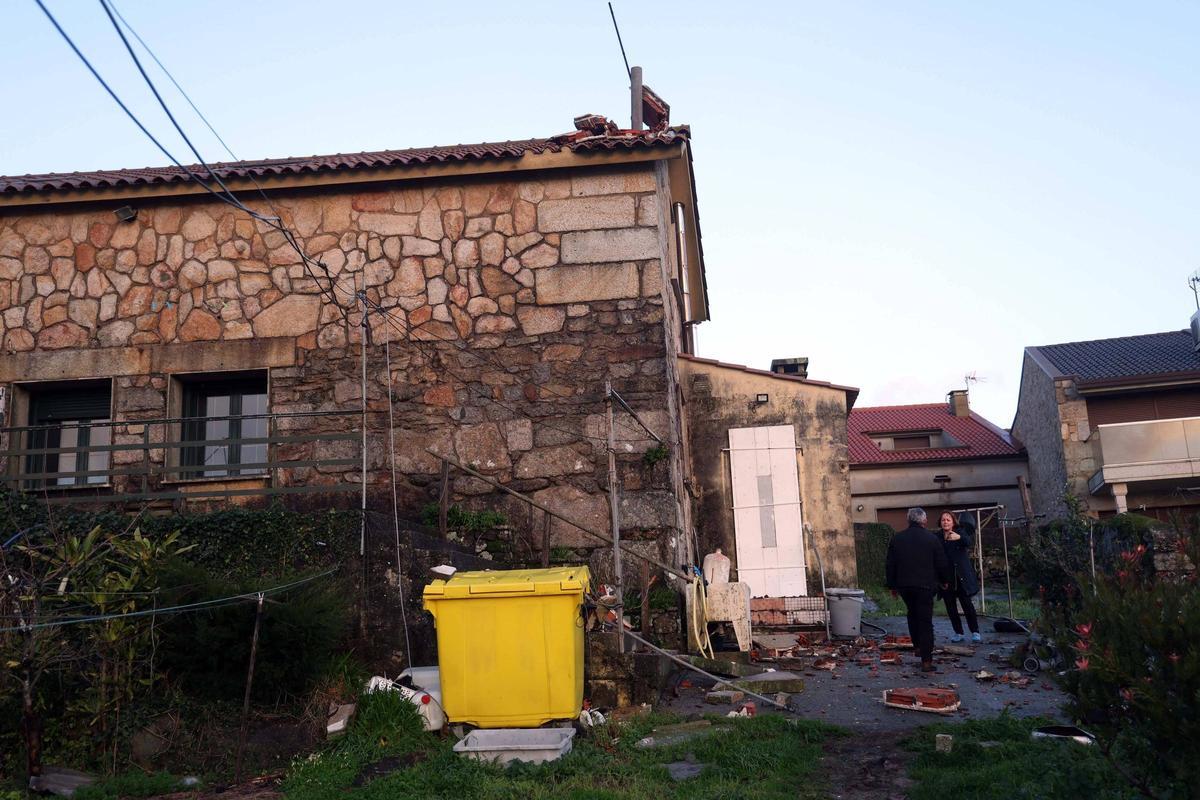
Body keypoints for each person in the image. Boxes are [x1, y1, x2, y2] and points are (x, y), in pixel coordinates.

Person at [885, 507, 950, 672]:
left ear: (908, 520)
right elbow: (941, 562)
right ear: (924, 521)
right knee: (925, 621)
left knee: (912, 614)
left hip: (905, 586)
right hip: (926, 586)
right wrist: (944, 580)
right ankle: (926, 660)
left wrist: (892, 586)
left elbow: (890, 564)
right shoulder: (932, 539)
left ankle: (918, 647)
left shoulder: (897, 539)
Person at [938, 511, 982, 643]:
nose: (945, 522)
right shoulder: (937, 536)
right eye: (943, 520)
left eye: (948, 520)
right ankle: (958, 632)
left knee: (967, 604)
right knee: (950, 607)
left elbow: (968, 542)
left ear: (953, 522)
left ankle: (975, 631)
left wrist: (959, 537)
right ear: (940, 522)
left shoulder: (960, 532)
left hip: (961, 576)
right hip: (946, 577)